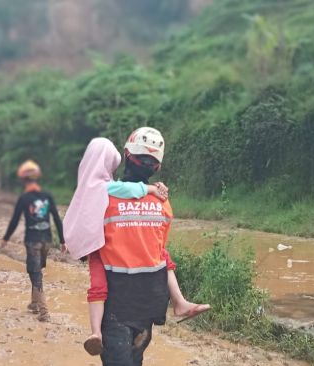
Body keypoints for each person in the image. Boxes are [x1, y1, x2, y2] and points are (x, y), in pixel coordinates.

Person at [64, 131, 210, 361]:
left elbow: (89, 237)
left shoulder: (104, 199)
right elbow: (160, 249)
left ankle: (95, 332)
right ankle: (179, 301)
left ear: (126, 155)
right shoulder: (163, 202)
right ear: (157, 168)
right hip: (150, 302)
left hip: (117, 307)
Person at [1, 159, 64, 322]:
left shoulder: (24, 198)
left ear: (23, 180)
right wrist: (63, 240)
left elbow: (14, 220)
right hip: (47, 241)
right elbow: (56, 218)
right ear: (37, 177)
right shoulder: (47, 196)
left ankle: (44, 312)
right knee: (36, 270)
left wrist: (5, 239)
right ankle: (34, 303)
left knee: (35, 273)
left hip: (33, 241)